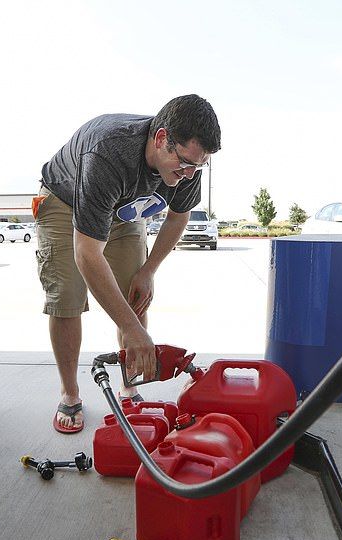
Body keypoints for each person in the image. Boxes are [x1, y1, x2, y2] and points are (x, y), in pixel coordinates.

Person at [34, 94, 221, 433]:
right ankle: (70, 393)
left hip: (125, 208)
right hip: (65, 201)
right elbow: (87, 253)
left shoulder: (185, 167)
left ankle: (129, 387)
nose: (190, 174)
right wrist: (134, 331)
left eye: (198, 165)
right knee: (67, 298)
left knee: (135, 295)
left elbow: (178, 218)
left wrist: (148, 270)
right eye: (184, 163)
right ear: (161, 138)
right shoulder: (109, 151)